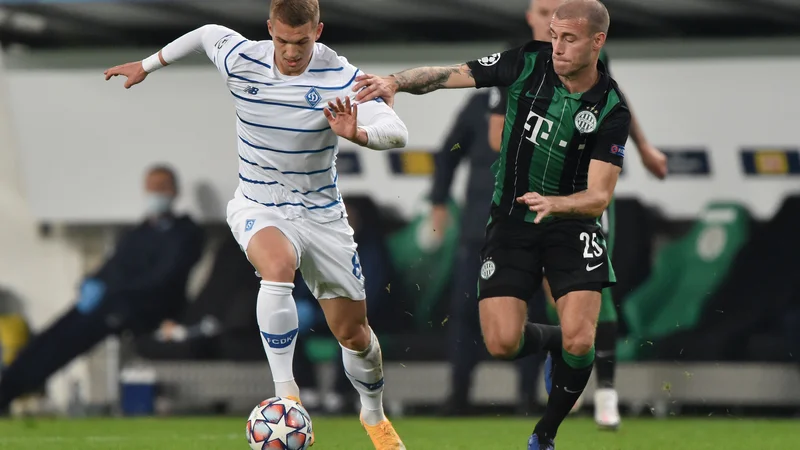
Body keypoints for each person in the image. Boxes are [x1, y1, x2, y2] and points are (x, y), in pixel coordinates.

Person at [104, 1, 408, 448]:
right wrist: (148, 65)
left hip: (322, 216)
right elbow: (206, 33)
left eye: (301, 42)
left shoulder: (340, 76)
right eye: (282, 41)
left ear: (318, 32)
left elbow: (396, 129)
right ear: (270, 30)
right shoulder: (242, 56)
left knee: (354, 335)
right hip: (258, 204)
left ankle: (375, 416)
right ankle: (289, 398)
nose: (290, 52)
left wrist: (359, 134)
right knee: (277, 268)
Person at [354, 1, 629, 447]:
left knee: (583, 338)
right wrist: (395, 82)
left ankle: (545, 432)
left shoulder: (611, 108)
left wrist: (556, 203)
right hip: (512, 226)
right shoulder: (527, 62)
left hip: (571, 226)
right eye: (554, 35)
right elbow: (449, 74)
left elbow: (599, 197)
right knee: (502, 342)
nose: (556, 47)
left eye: (569, 39)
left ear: (598, 42)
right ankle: (558, 342)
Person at [488, 0, 668, 429]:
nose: (555, 31)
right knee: (532, 317)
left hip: (580, 197)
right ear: (532, 19)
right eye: (544, 13)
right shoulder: (524, 64)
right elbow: (497, 133)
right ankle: (564, 358)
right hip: (527, 199)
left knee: (588, 292)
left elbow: (615, 101)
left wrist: (642, 148)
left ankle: (606, 391)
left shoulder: (589, 58)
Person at [0, 165, 204, 413]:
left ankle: (11, 389)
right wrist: (91, 281)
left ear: (174, 191)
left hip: (145, 310)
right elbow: (113, 266)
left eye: (161, 187)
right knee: (56, 333)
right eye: (151, 187)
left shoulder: (186, 233)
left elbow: (162, 279)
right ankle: (9, 384)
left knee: (68, 341)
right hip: (110, 303)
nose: (155, 193)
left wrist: (111, 290)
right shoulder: (137, 233)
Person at [430, 90, 546, 415]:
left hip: (527, 231)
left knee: (526, 313)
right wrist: (439, 198)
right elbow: (450, 149)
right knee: (467, 312)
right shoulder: (479, 106)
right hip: (478, 233)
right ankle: (459, 394)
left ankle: (526, 396)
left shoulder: (546, 103)